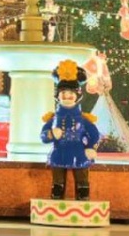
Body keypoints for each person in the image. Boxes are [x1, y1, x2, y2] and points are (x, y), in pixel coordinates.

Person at [41, 60, 100, 200]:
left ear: (77, 95)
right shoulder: (53, 118)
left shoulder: (83, 119)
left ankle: (83, 207)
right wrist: (50, 134)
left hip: (79, 154)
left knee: (83, 185)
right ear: (58, 96)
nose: (67, 96)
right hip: (58, 153)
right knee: (57, 185)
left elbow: (94, 133)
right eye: (64, 93)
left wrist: (91, 147)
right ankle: (56, 206)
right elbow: (43, 136)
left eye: (70, 93)